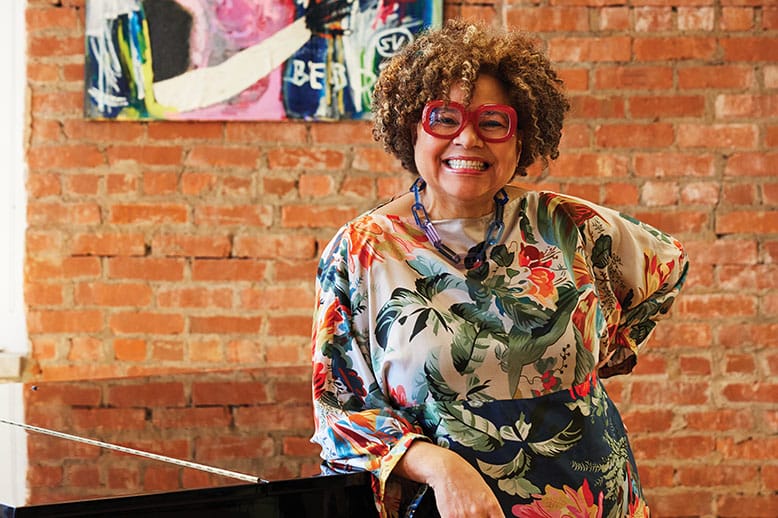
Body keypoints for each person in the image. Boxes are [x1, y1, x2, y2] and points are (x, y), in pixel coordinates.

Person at [310, 19, 688, 518]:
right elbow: (341, 414)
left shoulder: (569, 225)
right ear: (410, 128)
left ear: (521, 138)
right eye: (444, 118)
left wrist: (601, 350)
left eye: (492, 122)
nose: (468, 139)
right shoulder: (362, 252)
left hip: (594, 500)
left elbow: (666, 266)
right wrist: (441, 467)